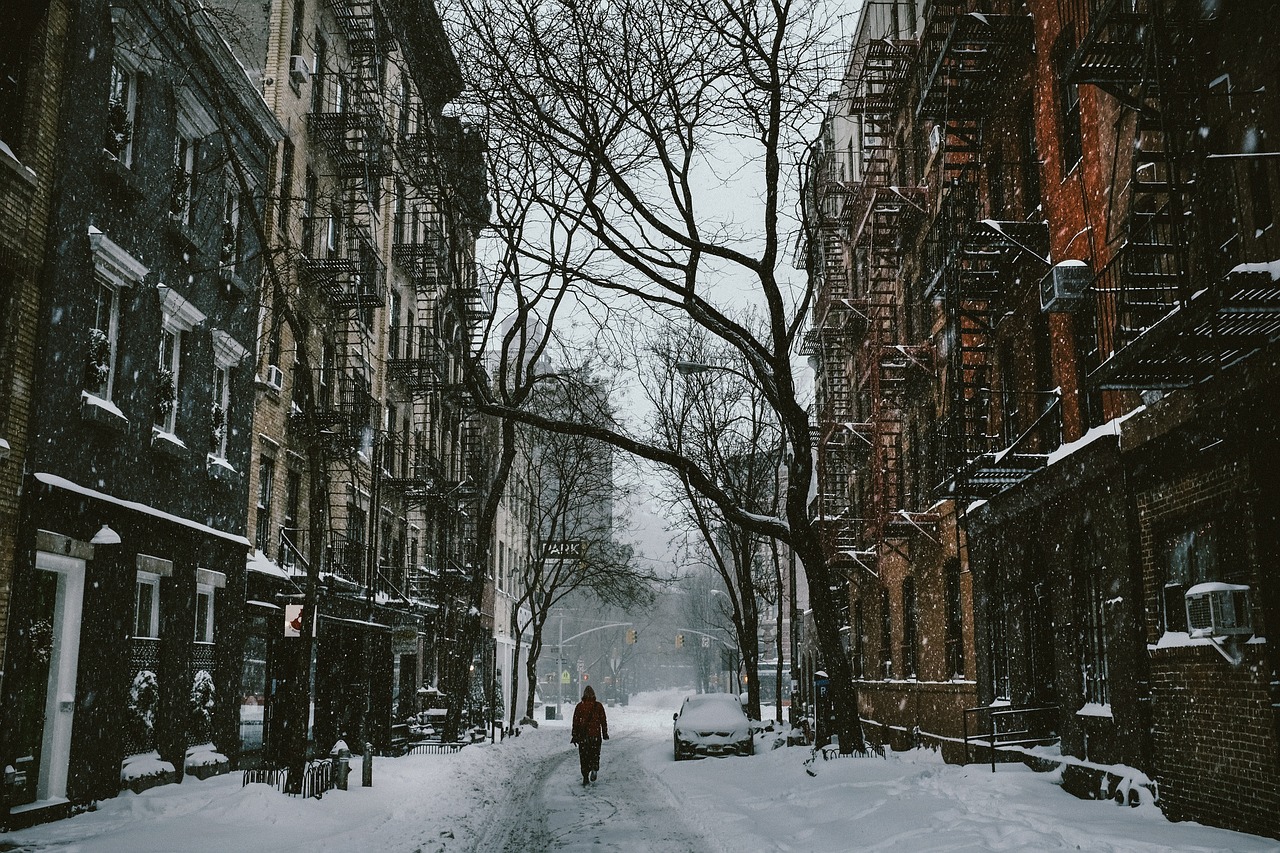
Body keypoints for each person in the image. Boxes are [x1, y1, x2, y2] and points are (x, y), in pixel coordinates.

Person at [570, 685, 609, 786]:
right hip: (595, 736)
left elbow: (575, 722)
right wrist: (604, 733)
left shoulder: (579, 706)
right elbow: (603, 721)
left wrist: (575, 735)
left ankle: (585, 776)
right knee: (595, 754)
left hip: (583, 737)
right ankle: (594, 768)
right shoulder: (598, 706)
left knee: (584, 757)